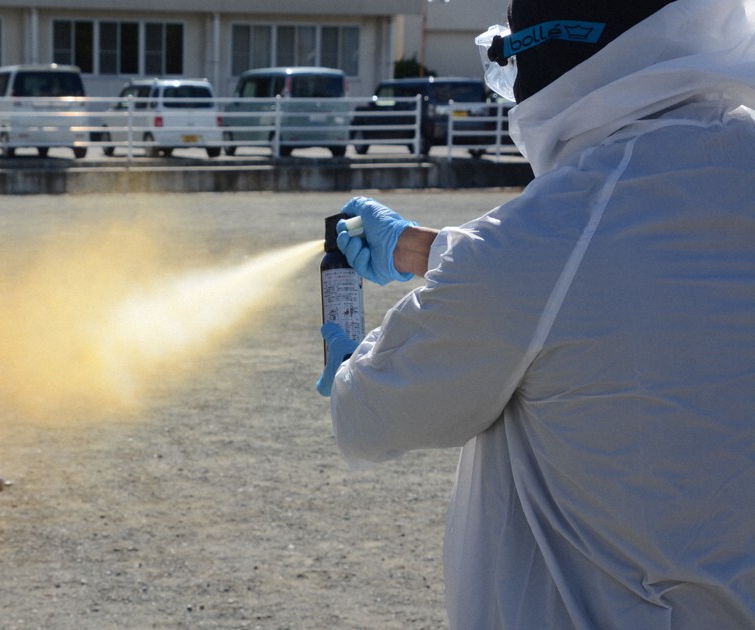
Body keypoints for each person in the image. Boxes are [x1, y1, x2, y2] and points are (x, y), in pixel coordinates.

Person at [316, 0, 755, 627]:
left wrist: (351, 362)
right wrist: (434, 250)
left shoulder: (539, 241)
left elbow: (371, 418)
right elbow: (630, 271)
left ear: (558, 51)